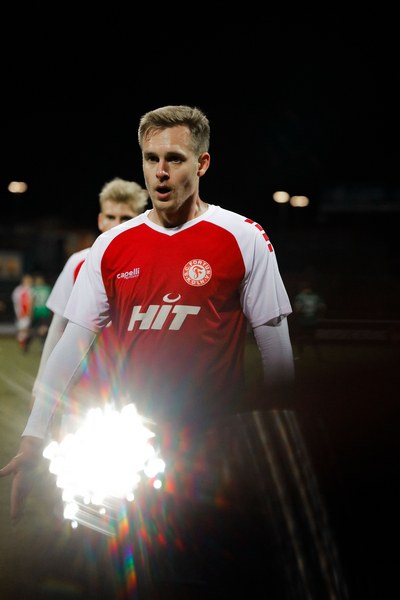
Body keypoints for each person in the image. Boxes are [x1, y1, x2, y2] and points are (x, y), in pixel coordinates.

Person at [1, 105, 295, 598]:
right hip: (125, 449)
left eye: (174, 159)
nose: (160, 171)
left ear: (202, 163)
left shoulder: (244, 237)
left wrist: (280, 444)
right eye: (150, 158)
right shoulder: (113, 246)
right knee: (123, 577)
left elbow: (276, 348)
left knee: (207, 578)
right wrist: (34, 434)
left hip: (212, 449)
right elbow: (72, 343)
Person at [31, 177, 149, 417]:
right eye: (111, 217)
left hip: (136, 392)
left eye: (126, 218)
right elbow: (58, 329)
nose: (116, 224)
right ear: (100, 220)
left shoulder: (152, 265)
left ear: (140, 220)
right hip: (81, 392)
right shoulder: (78, 263)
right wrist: (41, 388)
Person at [292, 280, 327, 359]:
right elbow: (323, 307)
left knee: (300, 338)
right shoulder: (316, 296)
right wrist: (320, 316)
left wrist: (297, 313)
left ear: (301, 288)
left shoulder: (300, 297)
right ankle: (318, 356)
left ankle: (300, 355)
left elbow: (298, 309)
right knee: (313, 339)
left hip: (303, 321)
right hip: (313, 321)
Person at [10, 273, 34, 352]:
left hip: (28, 313)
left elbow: (32, 302)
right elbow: (16, 302)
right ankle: (22, 344)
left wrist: (30, 312)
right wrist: (18, 312)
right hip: (21, 313)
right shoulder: (18, 290)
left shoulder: (31, 290)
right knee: (22, 328)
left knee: (26, 329)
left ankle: (24, 344)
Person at [31, 273, 52, 348]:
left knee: (41, 328)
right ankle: (42, 343)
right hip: (41, 312)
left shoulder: (35, 289)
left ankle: (41, 343)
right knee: (42, 328)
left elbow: (32, 301)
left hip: (40, 311)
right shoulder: (47, 288)